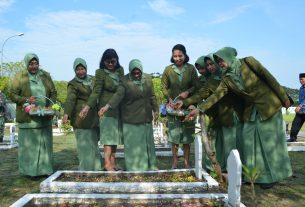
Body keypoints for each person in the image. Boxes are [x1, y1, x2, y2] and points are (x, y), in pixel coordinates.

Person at [187, 47, 292, 189]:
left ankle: (272, 176)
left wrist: (284, 98)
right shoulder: (227, 77)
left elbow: (269, 78)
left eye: (221, 60)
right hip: (251, 109)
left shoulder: (249, 62)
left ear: (229, 57)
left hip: (268, 105)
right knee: (248, 139)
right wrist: (199, 109)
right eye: (218, 61)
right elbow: (216, 95)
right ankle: (254, 176)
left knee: (268, 141)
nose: (220, 63)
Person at [179, 53, 243, 172]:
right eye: (207, 65)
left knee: (233, 143)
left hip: (233, 113)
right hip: (219, 114)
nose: (209, 67)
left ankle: (236, 171)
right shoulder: (211, 80)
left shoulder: (229, 75)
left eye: (211, 64)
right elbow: (201, 94)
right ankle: (221, 168)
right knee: (220, 142)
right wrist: (184, 102)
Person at [99, 59, 158, 171]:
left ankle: (150, 166)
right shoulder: (125, 81)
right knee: (134, 146)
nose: (136, 74)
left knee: (147, 145)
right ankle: (135, 167)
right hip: (131, 119)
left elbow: (152, 96)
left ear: (141, 70)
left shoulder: (148, 79)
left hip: (145, 118)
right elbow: (118, 95)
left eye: (138, 72)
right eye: (134, 72)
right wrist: (107, 106)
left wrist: (156, 110)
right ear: (130, 71)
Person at [10, 53, 57, 178]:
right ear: (27, 64)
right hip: (28, 118)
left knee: (45, 144)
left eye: (36, 63)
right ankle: (31, 172)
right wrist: (26, 99)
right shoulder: (20, 76)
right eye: (31, 64)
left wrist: (51, 107)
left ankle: (46, 169)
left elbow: (53, 92)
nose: (34, 66)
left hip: (44, 116)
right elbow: (13, 94)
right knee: (31, 146)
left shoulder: (45, 75)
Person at [79, 49, 124, 171]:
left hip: (117, 109)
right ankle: (107, 164)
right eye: (108, 62)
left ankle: (114, 163)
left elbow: (121, 90)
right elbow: (96, 91)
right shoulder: (100, 73)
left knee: (115, 139)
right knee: (108, 139)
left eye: (113, 61)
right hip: (105, 110)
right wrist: (88, 106)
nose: (110, 64)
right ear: (103, 61)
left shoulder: (120, 71)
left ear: (116, 60)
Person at [161, 44, 199, 169]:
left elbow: (196, 86)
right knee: (175, 136)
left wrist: (188, 92)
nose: (177, 58)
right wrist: (170, 99)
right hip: (173, 108)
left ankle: (187, 163)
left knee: (187, 137)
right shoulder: (168, 70)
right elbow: (163, 87)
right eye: (175, 56)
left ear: (185, 55)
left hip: (188, 107)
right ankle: (175, 162)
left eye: (180, 56)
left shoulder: (191, 69)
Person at [62, 57, 102, 171]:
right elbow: (70, 100)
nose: (80, 72)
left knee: (94, 144)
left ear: (86, 68)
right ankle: (85, 169)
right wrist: (66, 114)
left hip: (94, 117)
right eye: (78, 69)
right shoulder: (73, 84)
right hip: (81, 118)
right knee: (84, 146)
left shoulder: (93, 79)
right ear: (74, 70)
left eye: (82, 69)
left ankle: (96, 168)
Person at [288, 73, 305, 142]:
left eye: (302, 79)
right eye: (300, 79)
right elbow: (300, 99)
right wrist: (298, 106)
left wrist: (300, 106)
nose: (300, 81)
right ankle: (293, 137)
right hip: (301, 110)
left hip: (302, 108)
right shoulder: (301, 88)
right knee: (295, 123)